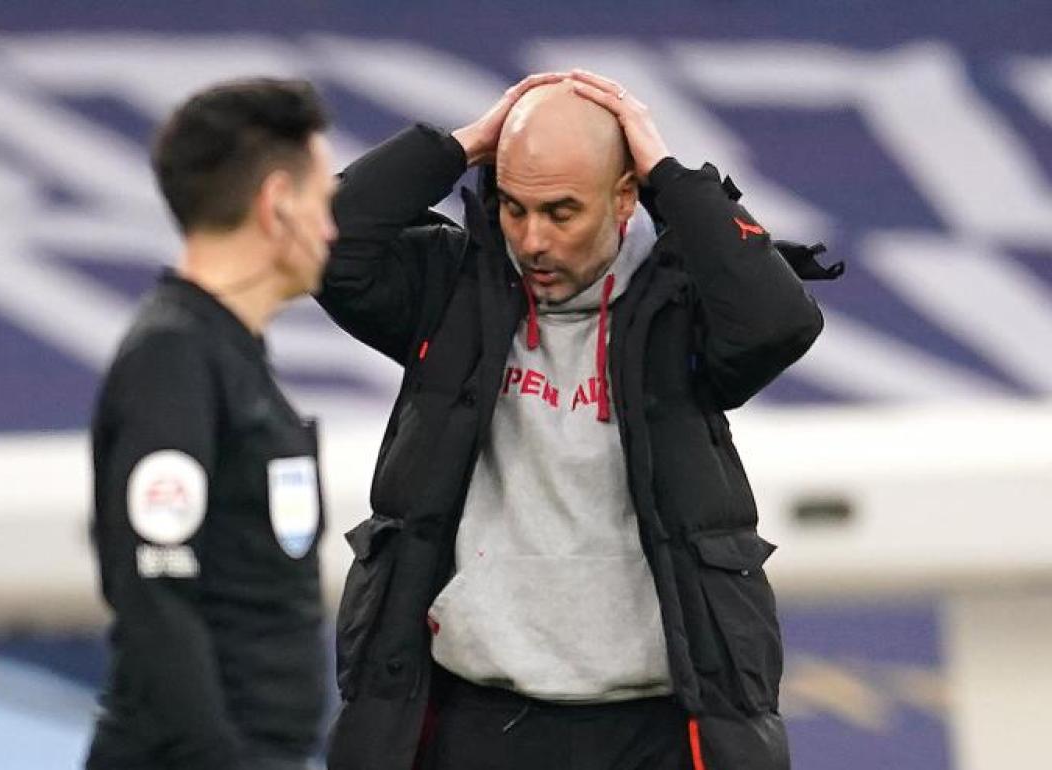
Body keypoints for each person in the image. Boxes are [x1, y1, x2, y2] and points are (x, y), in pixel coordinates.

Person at [318, 70, 840, 770]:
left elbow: (778, 323)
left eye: (561, 212)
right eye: (512, 207)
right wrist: (462, 145)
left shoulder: (683, 305)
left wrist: (669, 175)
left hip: (654, 726)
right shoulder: (450, 289)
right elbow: (323, 245)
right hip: (473, 720)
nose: (532, 240)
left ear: (624, 199)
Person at [86, 78, 338, 770]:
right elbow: (155, 589)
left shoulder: (228, 353)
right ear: (277, 204)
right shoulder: (175, 355)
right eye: (322, 204)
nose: (332, 231)